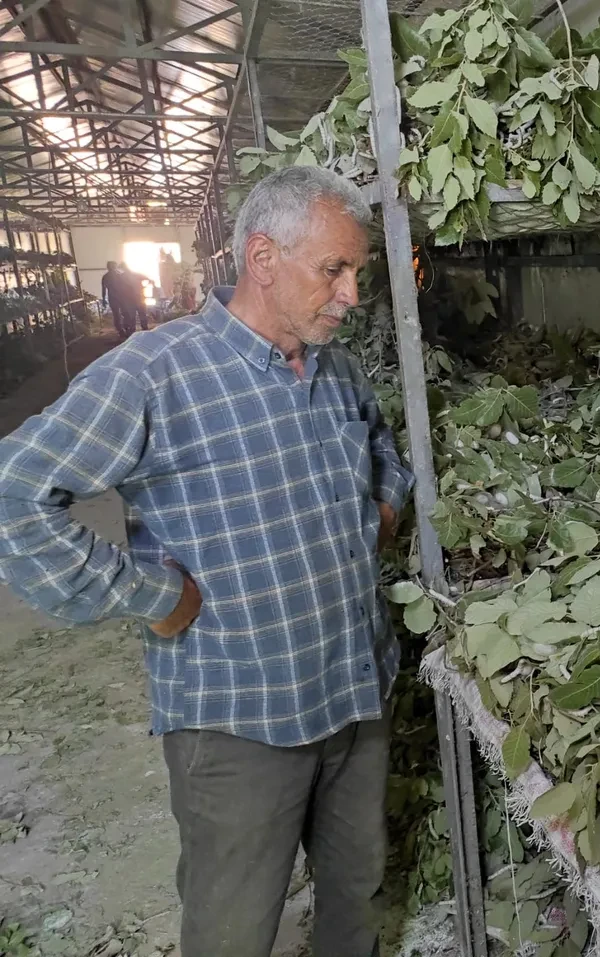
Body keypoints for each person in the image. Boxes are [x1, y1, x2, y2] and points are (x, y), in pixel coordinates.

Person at [0, 166, 413, 957]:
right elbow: (16, 495)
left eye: (357, 271)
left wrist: (383, 506)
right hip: (239, 717)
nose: (353, 293)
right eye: (335, 269)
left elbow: (384, 446)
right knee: (233, 924)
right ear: (262, 258)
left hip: (355, 688)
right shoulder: (156, 372)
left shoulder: (338, 369)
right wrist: (148, 592)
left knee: (354, 896)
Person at [102, 260, 127, 339]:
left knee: (117, 314)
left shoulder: (106, 276)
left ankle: (121, 330)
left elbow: (103, 288)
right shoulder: (119, 275)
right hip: (120, 297)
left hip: (113, 297)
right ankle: (124, 329)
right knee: (123, 313)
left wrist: (103, 298)